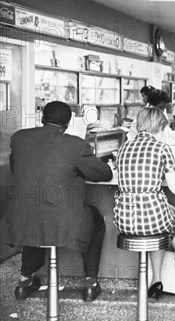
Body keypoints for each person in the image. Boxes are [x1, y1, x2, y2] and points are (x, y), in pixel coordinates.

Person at [5, 101, 113, 302]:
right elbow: (105, 174)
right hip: (64, 218)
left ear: (42, 118)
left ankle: (24, 279)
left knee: (35, 216)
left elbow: (16, 168)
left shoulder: (19, 138)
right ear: (68, 122)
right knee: (95, 219)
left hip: (22, 215)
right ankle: (90, 283)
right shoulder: (75, 145)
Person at [114, 107, 175, 301]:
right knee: (163, 219)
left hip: (123, 218)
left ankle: (158, 279)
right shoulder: (162, 148)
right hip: (153, 218)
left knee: (162, 214)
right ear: (160, 126)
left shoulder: (123, 147)